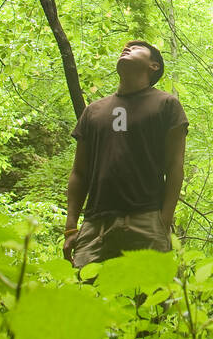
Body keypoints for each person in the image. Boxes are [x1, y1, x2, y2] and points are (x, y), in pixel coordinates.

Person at [63, 40, 188, 267]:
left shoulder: (167, 105)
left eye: (137, 48)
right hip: (95, 226)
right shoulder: (94, 111)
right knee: (84, 297)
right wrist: (72, 226)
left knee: (149, 299)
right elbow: (79, 172)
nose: (127, 48)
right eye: (125, 48)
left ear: (154, 66)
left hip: (147, 221)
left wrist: (164, 219)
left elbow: (175, 166)